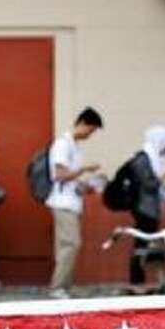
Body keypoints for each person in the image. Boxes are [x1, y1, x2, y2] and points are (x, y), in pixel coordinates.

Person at [46, 107, 103, 298]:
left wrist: (84, 185)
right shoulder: (63, 144)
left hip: (71, 201)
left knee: (66, 245)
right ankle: (58, 286)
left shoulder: (75, 145)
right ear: (82, 124)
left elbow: (69, 178)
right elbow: (60, 174)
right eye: (91, 130)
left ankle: (65, 285)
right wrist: (85, 169)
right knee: (71, 243)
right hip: (63, 203)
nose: (90, 135)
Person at [122, 125, 165, 288]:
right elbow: (148, 184)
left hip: (152, 209)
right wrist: (163, 177)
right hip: (143, 209)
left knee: (147, 245)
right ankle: (136, 280)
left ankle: (143, 280)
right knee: (142, 245)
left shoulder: (156, 160)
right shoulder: (142, 160)